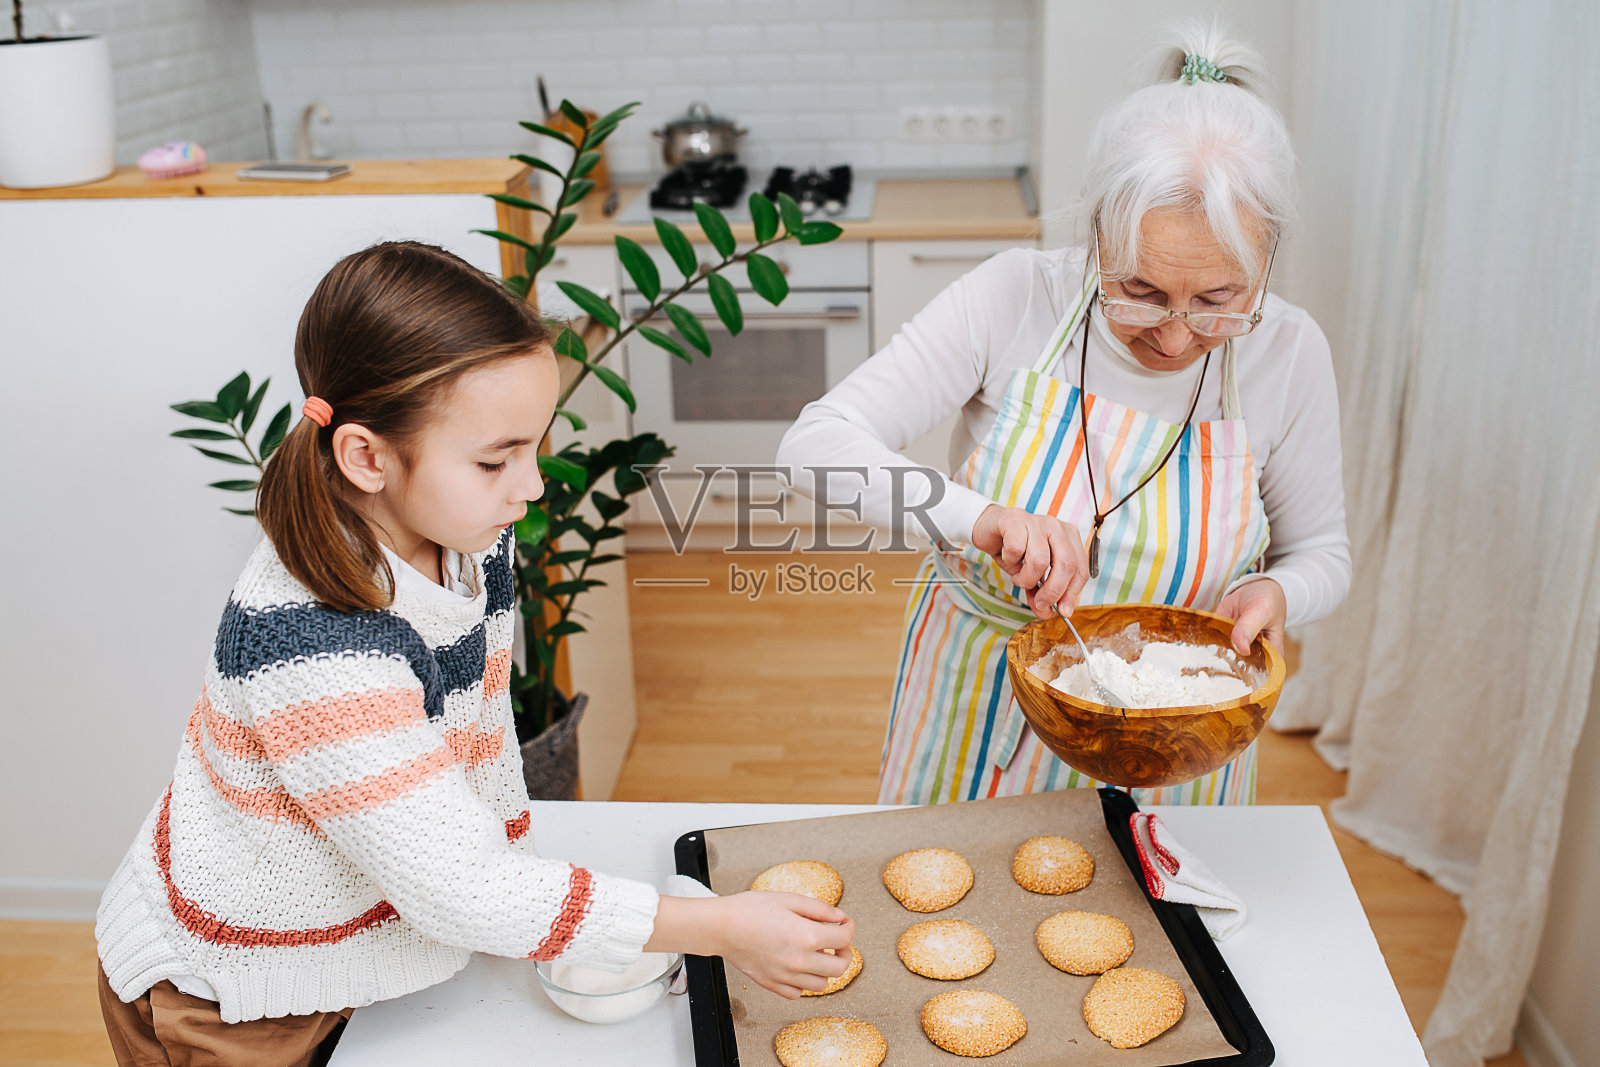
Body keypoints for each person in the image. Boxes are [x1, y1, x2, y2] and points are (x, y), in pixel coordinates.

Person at [96, 241, 853, 1064]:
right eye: (496, 459)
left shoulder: (467, 538)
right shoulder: (314, 649)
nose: (531, 485)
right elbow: (457, 885)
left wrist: (515, 883)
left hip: (368, 949)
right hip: (236, 998)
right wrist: (716, 926)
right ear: (365, 456)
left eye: (533, 447)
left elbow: (474, 745)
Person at [778, 22, 1350, 807]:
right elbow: (813, 445)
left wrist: (1280, 592)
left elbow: (1322, 551)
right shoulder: (1018, 295)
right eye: (1140, 292)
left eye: (1218, 300)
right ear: (1096, 233)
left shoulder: (1289, 351)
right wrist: (982, 518)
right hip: (979, 714)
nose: (1176, 336)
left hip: (1176, 746)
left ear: (1266, 256)